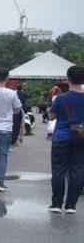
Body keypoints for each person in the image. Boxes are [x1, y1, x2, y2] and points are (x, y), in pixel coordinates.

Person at [48, 64, 84, 213]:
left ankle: (56, 204)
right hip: (81, 138)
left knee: (58, 171)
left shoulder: (60, 98)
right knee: (77, 170)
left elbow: (51, 116)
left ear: (68, 79)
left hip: (61, 137)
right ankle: (71, 206)